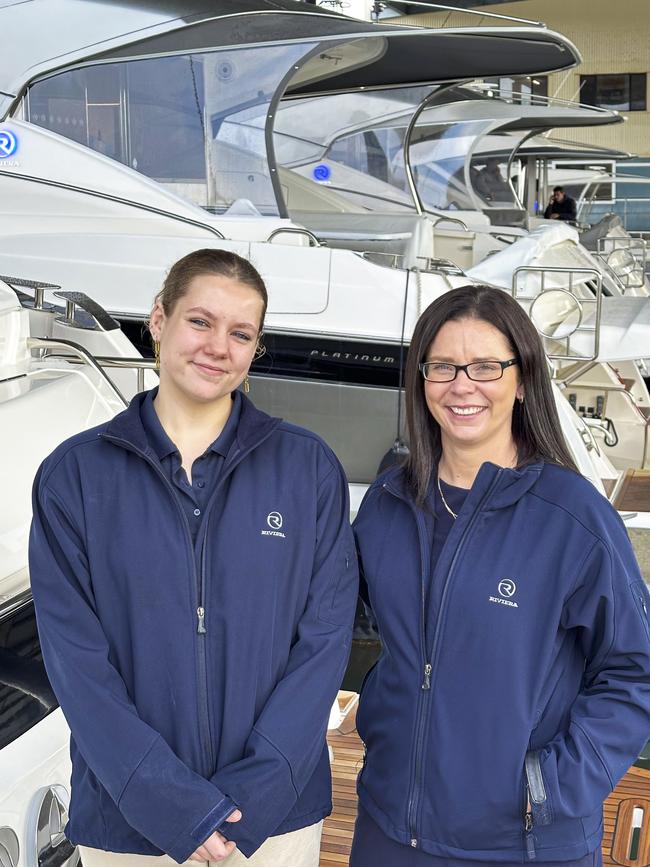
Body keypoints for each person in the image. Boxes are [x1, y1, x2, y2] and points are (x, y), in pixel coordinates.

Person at [29, 248, 358, 867]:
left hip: (273, 823)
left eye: (241, 333)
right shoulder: (74, 476)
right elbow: (77, 663)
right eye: (200, 322)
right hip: (129, 822)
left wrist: (250, 803)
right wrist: (172, 806)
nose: (218, 347)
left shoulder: (307, 468)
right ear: (158, 320)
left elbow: (324, 644)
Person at [350, 283, 650, 866]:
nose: (463, 385)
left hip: (524, 844)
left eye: (486, 366)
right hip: (391, 830)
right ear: (421, 379)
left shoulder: (574, 518)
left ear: (522, 379)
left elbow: (636, 671)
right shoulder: (388, 502)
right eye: (443, 366)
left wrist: (552, 787)